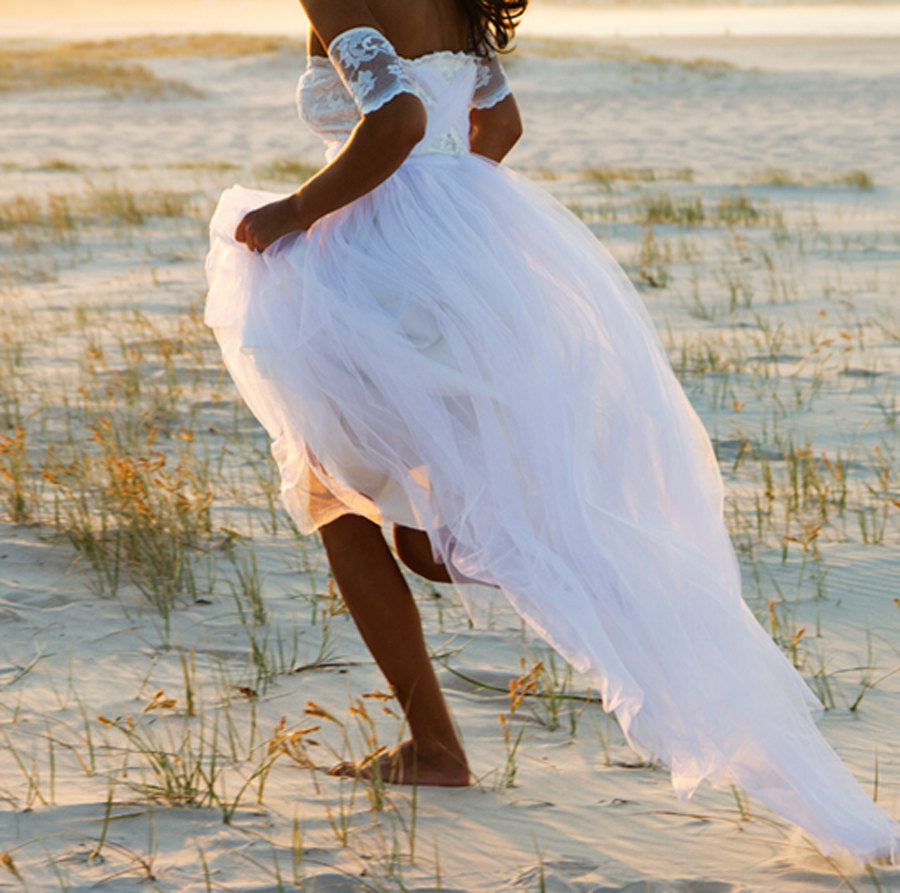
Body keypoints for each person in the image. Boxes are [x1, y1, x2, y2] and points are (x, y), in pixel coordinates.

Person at [205, 0, 899, 862]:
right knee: (426, 533)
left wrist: (298, 212)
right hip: (468, 257)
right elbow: (498, 122)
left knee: (334, 497)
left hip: (381, 264)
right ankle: (533, 625)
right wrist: (443, 203)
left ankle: (437, 746)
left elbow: (398, 118)